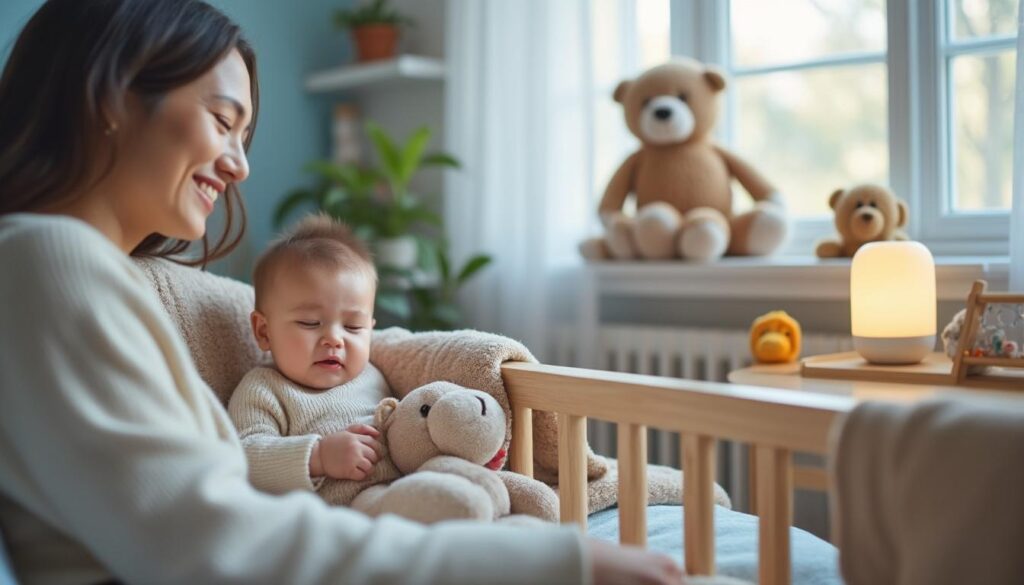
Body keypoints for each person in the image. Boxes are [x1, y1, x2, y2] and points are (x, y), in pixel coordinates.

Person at [0, 1, 685, 584]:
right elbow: (215, 542)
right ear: (114, 99)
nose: (239, 165)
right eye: (221, 119)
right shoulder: (45, 259)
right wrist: (556, 564)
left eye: (245, 136)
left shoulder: (76, 270)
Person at [228, 214, 396, 504]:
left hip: (396, 489)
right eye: (309, 322)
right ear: (264, 331)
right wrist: (318, 456)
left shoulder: (373, 375)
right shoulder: (264, 389)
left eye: (353, 327)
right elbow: (245, 456)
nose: (334, 339)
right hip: (336, 514)